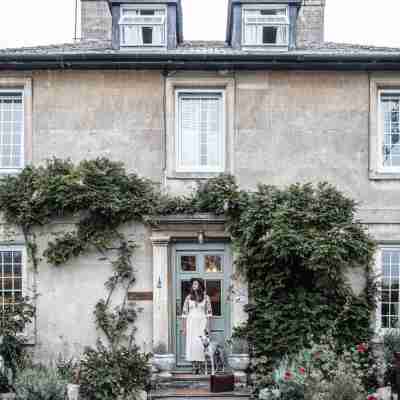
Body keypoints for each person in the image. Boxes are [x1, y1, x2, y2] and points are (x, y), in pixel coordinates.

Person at [182, 278, 213, 374]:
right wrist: (184, 328)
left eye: (196, 284)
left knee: (200, 344)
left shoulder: (206, 297)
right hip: (191, 322)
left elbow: (209, 313)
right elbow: (184, 314)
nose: (194, 285)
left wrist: (208, 327)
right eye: (193, 284)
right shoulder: (188, 297)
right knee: (191, 344)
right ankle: (193, 366)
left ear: (200, 285)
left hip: (201, 322)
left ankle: (200, 366)